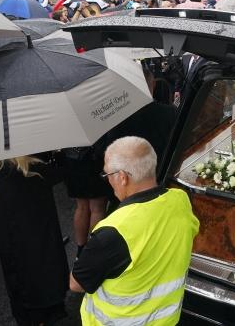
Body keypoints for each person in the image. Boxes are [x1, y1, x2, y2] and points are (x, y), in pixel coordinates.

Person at [70, 137, 199, 325]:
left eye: (107, 175)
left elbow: (76, 284)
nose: (108, 180)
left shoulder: (113, 231)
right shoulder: (180, 201)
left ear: (122, 177)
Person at [0, 155, 68, 325]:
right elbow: (60, 173)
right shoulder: (33, 172)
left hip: (15, 254)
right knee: (40, 282)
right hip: (39, 249)